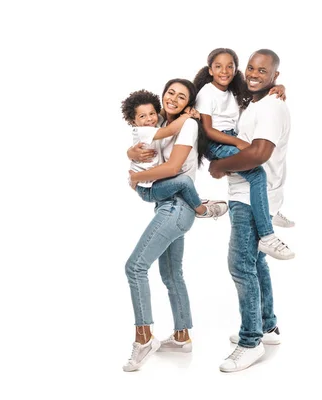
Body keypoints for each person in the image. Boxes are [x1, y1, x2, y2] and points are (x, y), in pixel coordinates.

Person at [122, 79, 228, 372]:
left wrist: (133, 178)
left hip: (178, 205)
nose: (174, 98)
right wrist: (130, 156)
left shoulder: (187, 125)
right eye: (170, 92)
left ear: (188, 104)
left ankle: (143, 339)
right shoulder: (157, 126)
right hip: (166, 204)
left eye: (182, 97)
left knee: (134, 268)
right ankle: (182, 337)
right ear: (162, 96)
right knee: (171, 274)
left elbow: (170, 169)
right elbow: (142, 153)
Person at [208, 49, 291, 373]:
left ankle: (250, 341)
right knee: (256, 262)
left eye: (263, 70)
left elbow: (258, 154)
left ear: (275, 76)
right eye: (251, 68)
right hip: (258, 196)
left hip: (250, 198)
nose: (255, 74)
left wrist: (219, 166)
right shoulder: (260, 102)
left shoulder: (270, 106)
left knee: (240, 265)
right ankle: (267, 326)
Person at [194, 48, 294, 260]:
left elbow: (259, 92)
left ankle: (269, 217)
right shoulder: (206, 92)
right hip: (216, 142)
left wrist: (278, 87)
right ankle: (267, 231)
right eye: (219, 66)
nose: (225, 71)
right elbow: (209, 130)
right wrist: (236, 144)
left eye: (230, 66)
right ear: (210, 69)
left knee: (258, 172)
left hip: (230, 139)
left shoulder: (234, 91)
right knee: (258, 173)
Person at [121, 89, 226, 218]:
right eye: (142, 116)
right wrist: (186, 116)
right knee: (184, 182)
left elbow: (166, 110)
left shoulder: (154, 122)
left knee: (181, 183)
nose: (149, 119)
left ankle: (189, 200)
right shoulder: (143, 131)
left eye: (152, 113)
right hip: (147, 188)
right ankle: (202, 210)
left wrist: (190, 108)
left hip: (152, 182)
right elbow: (170, 130)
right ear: (133, 122)